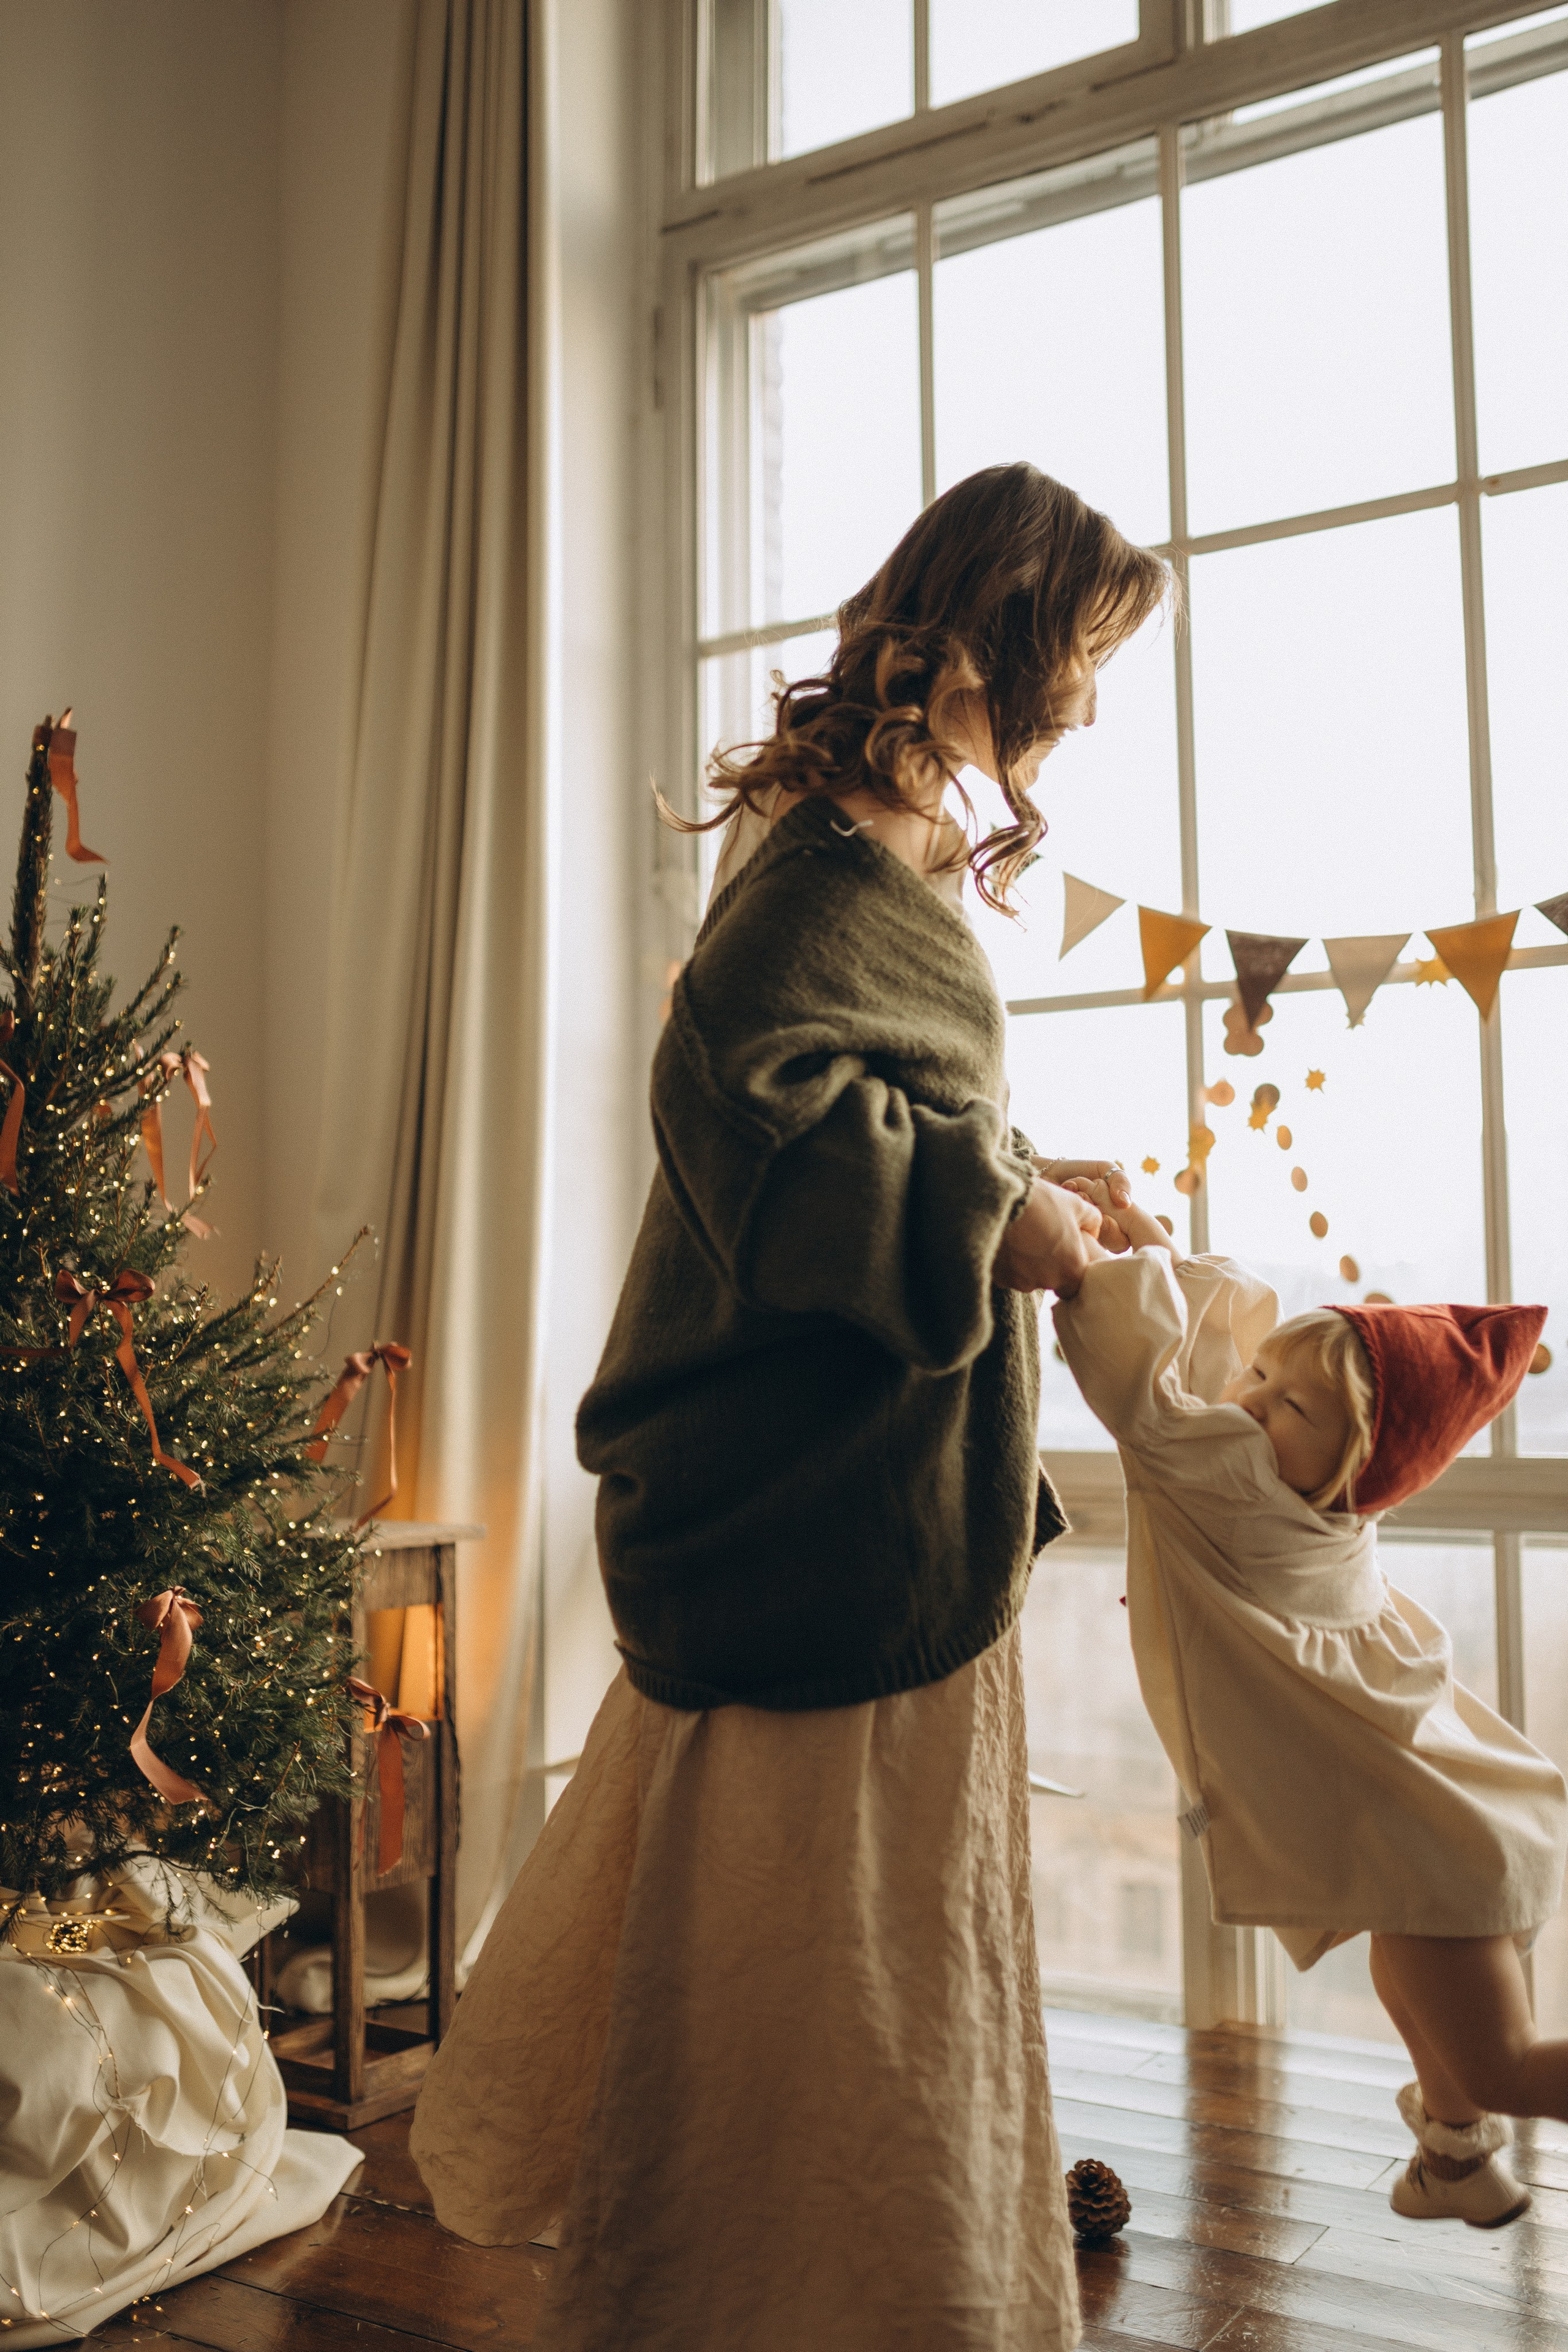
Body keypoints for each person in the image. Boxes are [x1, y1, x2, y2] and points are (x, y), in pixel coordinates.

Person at [410, 463, 1169, 2350]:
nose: (1078, 701)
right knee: (829, 1958)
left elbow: (876, 1098)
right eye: (1075, 651)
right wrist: (1002, 1221)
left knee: (871, 1949)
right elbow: (752, 1108)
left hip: (884, 1486)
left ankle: (890, 2283)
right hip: (821, 1511)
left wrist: (1036, 1172)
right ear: (998, 624)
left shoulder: (877, 846)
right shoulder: (826, 863)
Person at [1050, 1183, 1567, 2230]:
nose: (1249, 1402)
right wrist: (1153, 1243)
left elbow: (1148, 1390)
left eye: (1290, 1407)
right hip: (1436, 1820)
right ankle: (1454, 2162)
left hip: (1438, 1846)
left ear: (1350, 1465)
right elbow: (1206, 1371)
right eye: (1260, 1373)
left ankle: (1462, 2142)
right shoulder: (1326, 1510)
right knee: (1402, 1972)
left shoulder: (1239, 1492)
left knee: (1502, 2060)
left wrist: (1080, 1259)